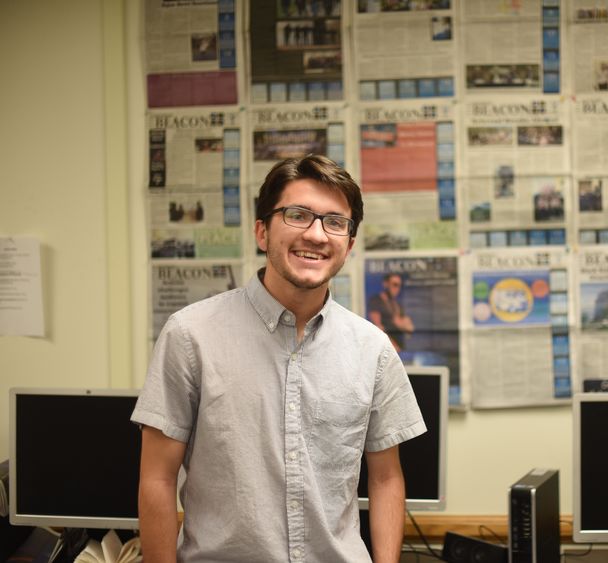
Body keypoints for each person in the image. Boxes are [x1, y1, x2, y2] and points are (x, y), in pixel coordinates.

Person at [132, 154, 426, 563]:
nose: (317, 234)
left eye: (334, 222)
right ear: (262, 232)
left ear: (349, 244)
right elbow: (157, 478)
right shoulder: (190, 335)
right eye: (297, 215)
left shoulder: (373, 349)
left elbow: (386, 478)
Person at [367, 273, 415, 352]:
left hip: (399, 349)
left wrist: (401, 324)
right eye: (395, 284)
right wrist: (392, 346)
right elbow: (378, 327)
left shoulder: (397, 304)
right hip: (387, 350)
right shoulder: (376, 301)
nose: (397, 288)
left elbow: (409, 328)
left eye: (399, 286)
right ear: (386, 284)